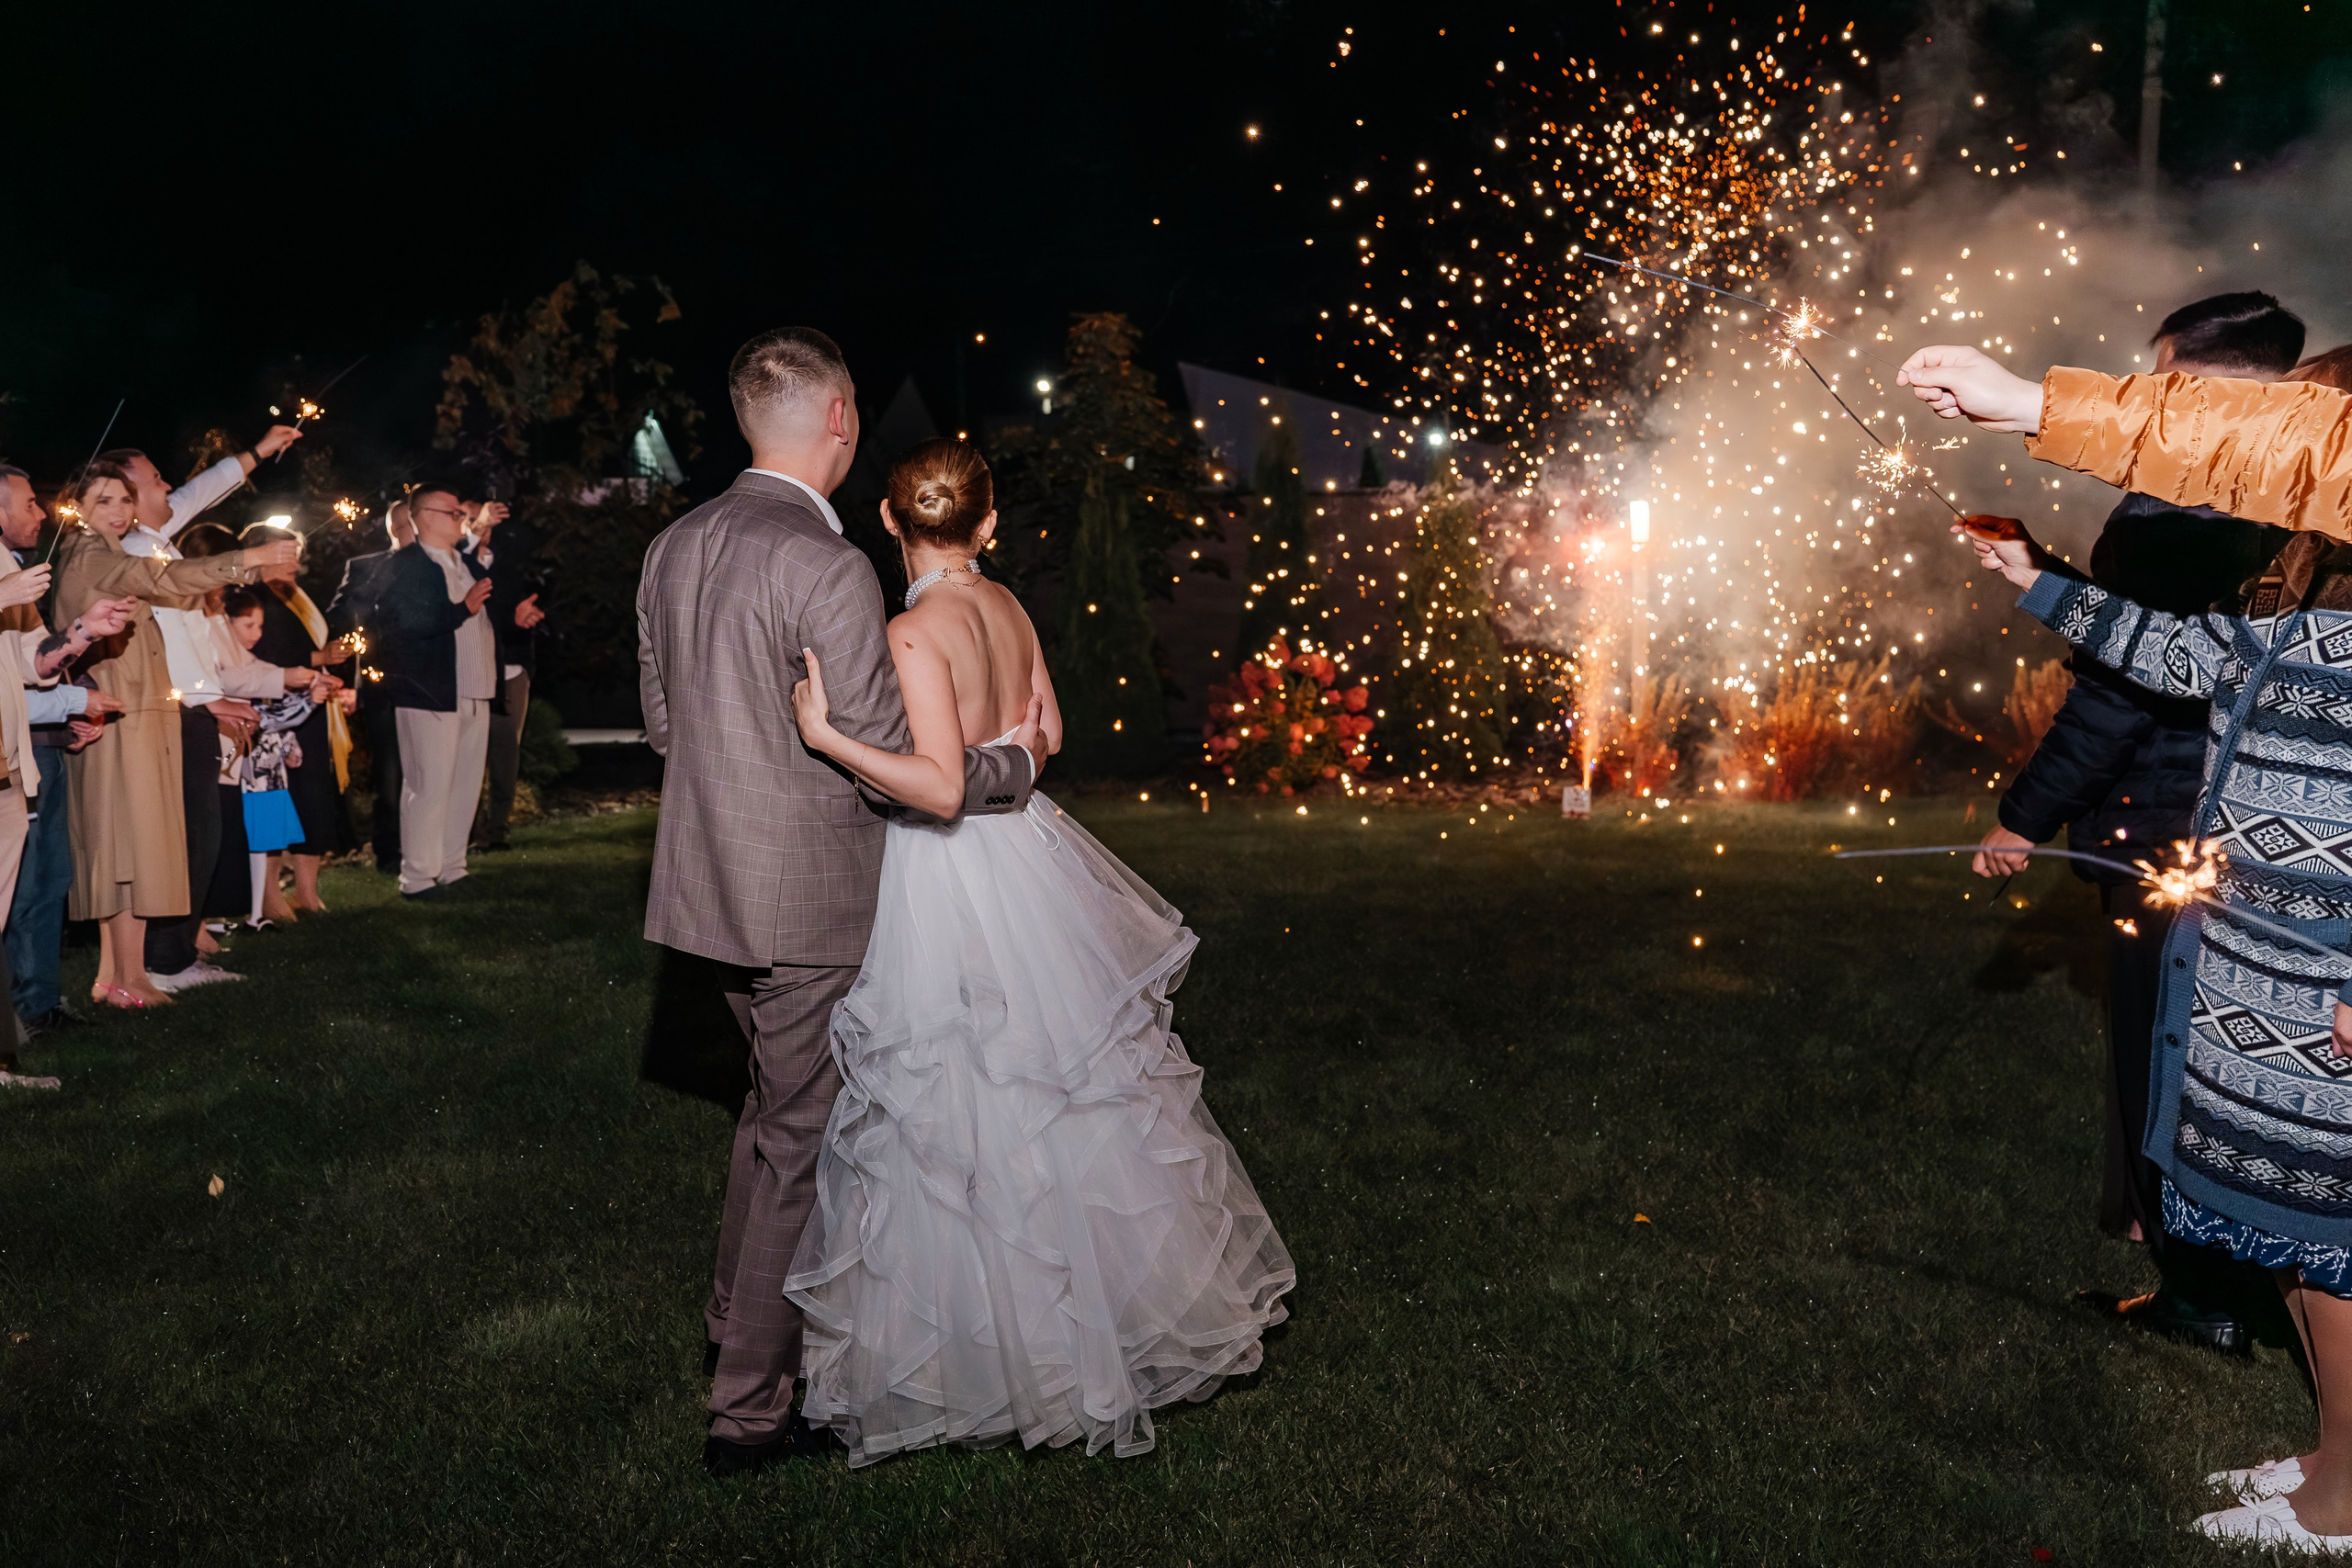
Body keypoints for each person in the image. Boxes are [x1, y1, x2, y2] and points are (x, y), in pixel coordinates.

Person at [1915, 342, 2352, 1549]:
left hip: (2333, 978)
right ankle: (2339, 1453)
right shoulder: (2292, 609)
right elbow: (2172, 654)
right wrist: (2034, 577)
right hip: (2267, 961)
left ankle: (2342, 1501)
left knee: (2337, 1241)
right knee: (2301, 1240)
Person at [784, 438, 1294, 1467]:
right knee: (1059, 1095)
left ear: (889, 524)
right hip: (1025, 858)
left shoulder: (912, 631)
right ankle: (1086, 1329)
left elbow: (929, 787)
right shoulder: (1010, 608)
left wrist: (829, 735)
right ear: (988, 526)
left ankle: (975, 1360)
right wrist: (1005, 764)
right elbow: (1045, 732)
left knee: (952, 1107)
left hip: (945, 875)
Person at [635, 327, 1043, 1478]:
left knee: (771, 1129)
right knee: (792, 1144)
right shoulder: (824, 563)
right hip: (803, 901)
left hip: (703, 895)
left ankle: (747, 1341)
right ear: (844, 419)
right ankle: (750, 1409)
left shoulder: (674, 544)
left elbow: (669, 730)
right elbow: (888, 757)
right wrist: (1009, 767)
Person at [1973, 293, 2305, 1351]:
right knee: (2232, 1065)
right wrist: (2046, 576)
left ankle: (2200, 1292)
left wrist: (2022, 820)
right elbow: (2168, 647)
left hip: (2164, 828)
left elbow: (2122, 688)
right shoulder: (2295, 492)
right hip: (2256, 833)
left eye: (2158, 379)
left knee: (2166, 1066)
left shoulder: (2172, 502)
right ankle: (2229, 1275)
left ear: (2196, 385)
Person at [52, 458, 297, 1009]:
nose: (117, 512)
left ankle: (120, 973)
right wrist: (247, 559)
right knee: (126, 844)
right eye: (102, 502)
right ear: (78, 509)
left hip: (135, 707)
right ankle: (124, 976)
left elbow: (169, 588)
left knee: (131, 845)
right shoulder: (89, 552)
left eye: (123, 500)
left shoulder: (105, 551)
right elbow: (161, 580)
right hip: (119, 711)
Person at [118, 473, 311, 988]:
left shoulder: (160, 547)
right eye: (156, 479)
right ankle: (168, 961)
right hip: (180, 713)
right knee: (188, 839)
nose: (169, 486)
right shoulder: (144, 551)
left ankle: (177, 954)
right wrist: (211, 698)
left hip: (198, 710)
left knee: (200, 839)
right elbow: (174, 653)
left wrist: (258, 457)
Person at [0, 468, 134, 1041]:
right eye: (29, 501)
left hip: (8, 766)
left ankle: (14, 1036)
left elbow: (33, 662)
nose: (41, 512)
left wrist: (82, 630)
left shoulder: (10, 565)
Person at [376, 487, 496, 899]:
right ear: (423, 515)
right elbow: (401, 624)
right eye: (453, 511)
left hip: (475, 689)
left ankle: (452, 866)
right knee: (429, 785)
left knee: (464, 784)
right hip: (430, 689)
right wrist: (462, 609)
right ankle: (418, 877)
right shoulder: (407, 565)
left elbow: (479, 613)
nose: (461, 517)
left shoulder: (461, 562)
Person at [237, 521, 352, 919]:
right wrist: (316, 661)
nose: (297, 568)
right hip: (269, 714)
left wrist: (325, 660)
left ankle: (306, 890)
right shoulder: (247, 598)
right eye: (288, 558)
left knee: (313, 798)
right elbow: (260, 657)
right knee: (273, 802)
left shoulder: (295, 597)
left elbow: (299, 649)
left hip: (309, 707)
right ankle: (267, 897)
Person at [325, 498, 416, 874]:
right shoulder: (366, 568)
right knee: (391, 773)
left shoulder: (447, 564)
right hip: (384, 688)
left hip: (436, 684)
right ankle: (391, 855)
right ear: (396, 528)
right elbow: (337, 616)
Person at [462, 500, 546, 851]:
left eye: (480, 519)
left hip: (509, 670)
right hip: (467, 671)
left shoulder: (508, 567)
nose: (475, 526)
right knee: (467, 755)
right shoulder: (456, 566)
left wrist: (524, 618)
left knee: (504, 752)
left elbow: (524, 613)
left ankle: (497, 831)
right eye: (467, 520)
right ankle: (469, 831)